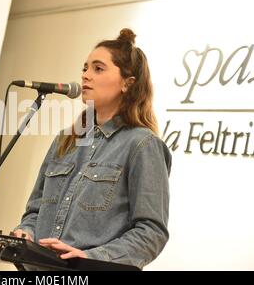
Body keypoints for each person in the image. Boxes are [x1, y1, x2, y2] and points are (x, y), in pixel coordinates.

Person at [13, 28, 171, 270]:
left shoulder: (142, 145)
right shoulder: (65, 140)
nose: (86, 76)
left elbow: (151, 233)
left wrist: (89, 258)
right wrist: (25, 232)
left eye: (98, 68)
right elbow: (34, 211)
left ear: (127, 84)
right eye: (85, 68)